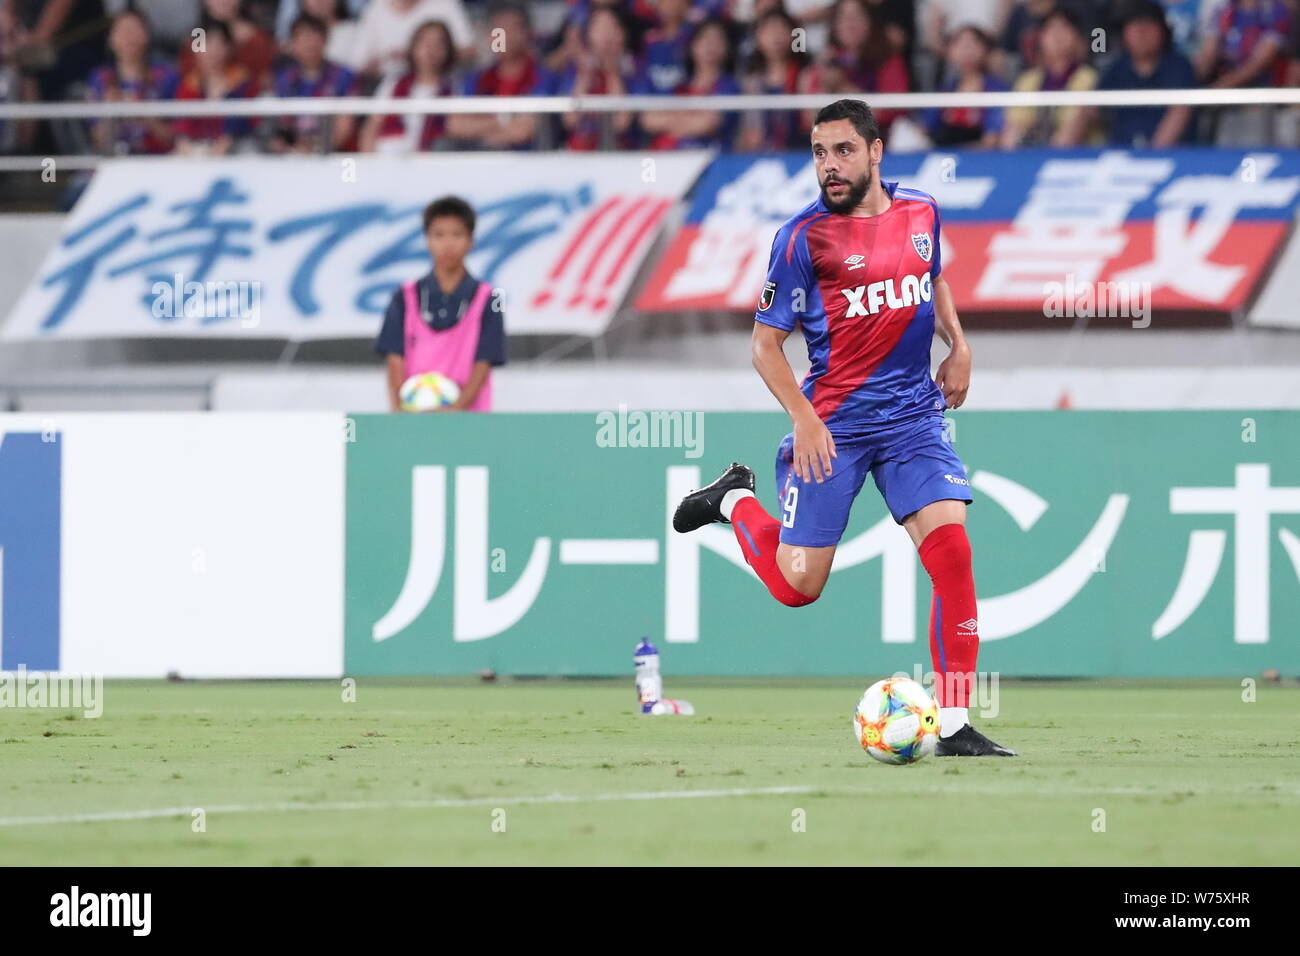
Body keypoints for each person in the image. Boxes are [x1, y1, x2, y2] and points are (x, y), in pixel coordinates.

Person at [672, 98, 1015, 758]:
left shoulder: (920, 212)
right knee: (800, 586)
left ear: (876, 152)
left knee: (953, 553)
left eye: (844, 151)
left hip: (914, 416)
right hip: (834, 425)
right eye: (820, 153)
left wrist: (960, 346)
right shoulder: (803, 239)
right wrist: (802, 419)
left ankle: (952, 724)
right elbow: (764, 346)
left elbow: (932, 278)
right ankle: (734, 501)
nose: (830, 166)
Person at [374, 197, 506, 413]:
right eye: (439, 235)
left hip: (468, 422)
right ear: (427, 240)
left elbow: (484, 363)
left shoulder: (492, 298)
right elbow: (395, 360)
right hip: (413, 421)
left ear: (471, 241)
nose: (448, 244)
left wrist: (455, 409)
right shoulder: (404, 296)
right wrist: (400, 411)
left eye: (457, 235)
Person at [446, 3, 556, 150]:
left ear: (527, 34)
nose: (502, 39)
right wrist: (503, 124)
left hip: (527, 162)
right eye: (497, 31)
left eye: (509, 30)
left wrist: (482, 128)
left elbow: (525, 130)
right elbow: (456, 125)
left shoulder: (544, 78)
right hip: (478, 160)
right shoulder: (476, 78)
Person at [1094, 1, 1195, 148]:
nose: (1141, 33)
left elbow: (1180, 112)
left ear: (1163, 31)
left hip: (1170, 158)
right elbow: (1091, 109)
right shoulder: (1117, 68)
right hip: (1119, 155)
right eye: (1134, 26)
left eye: (1148, 25)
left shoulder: (1179, 66)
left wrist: (1150, 156)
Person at [1001, 8, 1100, 148]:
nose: (1057, 35)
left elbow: (1069, 137)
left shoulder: (1088, 77)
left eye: (1065, 28)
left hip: (1076, 157)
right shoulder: (1029, 79)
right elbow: (1012, 132)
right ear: (1041, 38)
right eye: (1050, 30)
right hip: (1030, 155)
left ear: (1077, 38)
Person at [86, 9, 179, 156]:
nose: (129, 37)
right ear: (110, 39)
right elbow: (99, 140)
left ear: (147, 35)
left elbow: (175, 137)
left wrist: (145, 116)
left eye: (135, 30)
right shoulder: (100, 78)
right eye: (122, 31)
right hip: (115, 159)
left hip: (158, 160)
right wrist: (110, 111)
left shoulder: (166, 76)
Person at [640, 17, 740, 150]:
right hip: (667, 157)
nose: (711, 44)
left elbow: (709, 123)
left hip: (711, 159)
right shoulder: (679, 86)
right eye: (705, 39)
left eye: (717, 39)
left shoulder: (729, 86)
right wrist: (691, 120)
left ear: (726, 48)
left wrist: (673, 120)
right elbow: (649, 121)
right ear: (693, 46)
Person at [359, 19, 456, 153]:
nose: (431, 48)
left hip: (429, 165)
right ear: (413, 47)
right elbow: (371, 129)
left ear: (447, 50)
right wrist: (371, 166)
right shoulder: (393, 83)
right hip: (386, 161)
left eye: (439, 43)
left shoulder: (454, 89)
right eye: (424, 41)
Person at [272, 13, 359, 153]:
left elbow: (345, 128)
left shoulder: (344, 76)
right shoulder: (285, 80)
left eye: (315, 36)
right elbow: (281, 126)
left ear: (325, 40)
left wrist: (313, 150)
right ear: (292, 44)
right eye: (303, 37)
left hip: (335, 155)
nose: (310, 43)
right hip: (293, 156)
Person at [173, 17, 259, 155]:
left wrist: (226, 143)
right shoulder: (188, 86)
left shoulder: (243, 83)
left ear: (229, 47)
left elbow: (247, 124)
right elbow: (183, 129)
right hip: (197, 152)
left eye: (218, 43)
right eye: (205, 43)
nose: (211, 51)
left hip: (237, 151)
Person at [557, 6, 638, 150]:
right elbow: (570, 120)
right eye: (599, 27)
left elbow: (621, 123)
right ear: (588, 35)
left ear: (622, 33)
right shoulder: (575, 70)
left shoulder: (634, 69)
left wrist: (613, 75)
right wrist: (584, 76)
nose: (606, 34)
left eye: (611, 26)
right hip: (579, 151)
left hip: (622, 153)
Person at [738, 7, 810, 151]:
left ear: (793, 36)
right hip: (760, 155)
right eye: (769, 31)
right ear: (758, 37)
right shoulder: (751, 81)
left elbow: (811, 122)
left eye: (782, 29)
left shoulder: (805, 74)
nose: (776, 36)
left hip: (801, 152)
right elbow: (748, 131)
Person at [924, 24, 1006, 147]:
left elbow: (991, 139)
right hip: (943, 156)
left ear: (985, 50)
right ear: (950, 51)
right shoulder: (945, 90)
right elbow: (926, 129)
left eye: (973, 44)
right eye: (960, 45)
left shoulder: (996, 89)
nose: (966, 50)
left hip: (979, 157)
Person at [349, 0, 475, 80]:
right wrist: (385, 59)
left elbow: (469, 51)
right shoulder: (375, 8)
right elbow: (357, 64)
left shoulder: (445, 4)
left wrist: (429, 55)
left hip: (441, 84)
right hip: (386, 83)